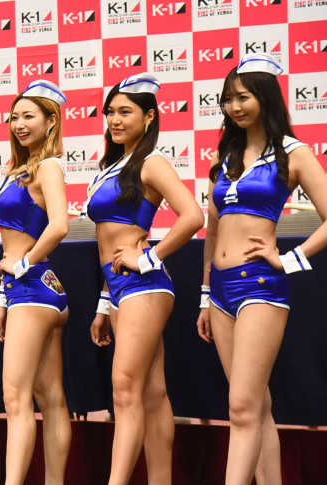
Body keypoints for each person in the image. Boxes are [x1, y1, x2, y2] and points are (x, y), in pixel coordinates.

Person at [196, 53, 327, 485]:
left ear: (265, 98)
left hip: (260, 287)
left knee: (241, 406)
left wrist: (289, 258)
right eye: (228, 99)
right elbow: (213, 232)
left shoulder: (293, 152)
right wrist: (204, 295)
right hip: (219, 291)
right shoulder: (225, 157)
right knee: (256, 405)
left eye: (243, 97)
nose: (234, 107)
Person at [84, 73, 204, 484]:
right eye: (110, 112)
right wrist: (103, 304)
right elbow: (106, 244)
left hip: (144, 286)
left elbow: (193, 216)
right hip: (118, 288)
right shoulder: (112, 166)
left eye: (125, 112)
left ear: (149, 116)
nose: (115, 120)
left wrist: (149, 256)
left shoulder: (152, 162)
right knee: (151, 393)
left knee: (124, 388)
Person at [0, 80, 72, 485]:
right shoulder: (18, 170)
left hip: (33, 288)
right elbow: (13, 243)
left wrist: (23, 265)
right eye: (14, 117)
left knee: (15, 397)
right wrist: (3, 298)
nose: (19, 124)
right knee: (50, 398)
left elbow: (59, 226)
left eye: (29, 116)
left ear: (51, 121)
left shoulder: (49, 166)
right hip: (33, 290)